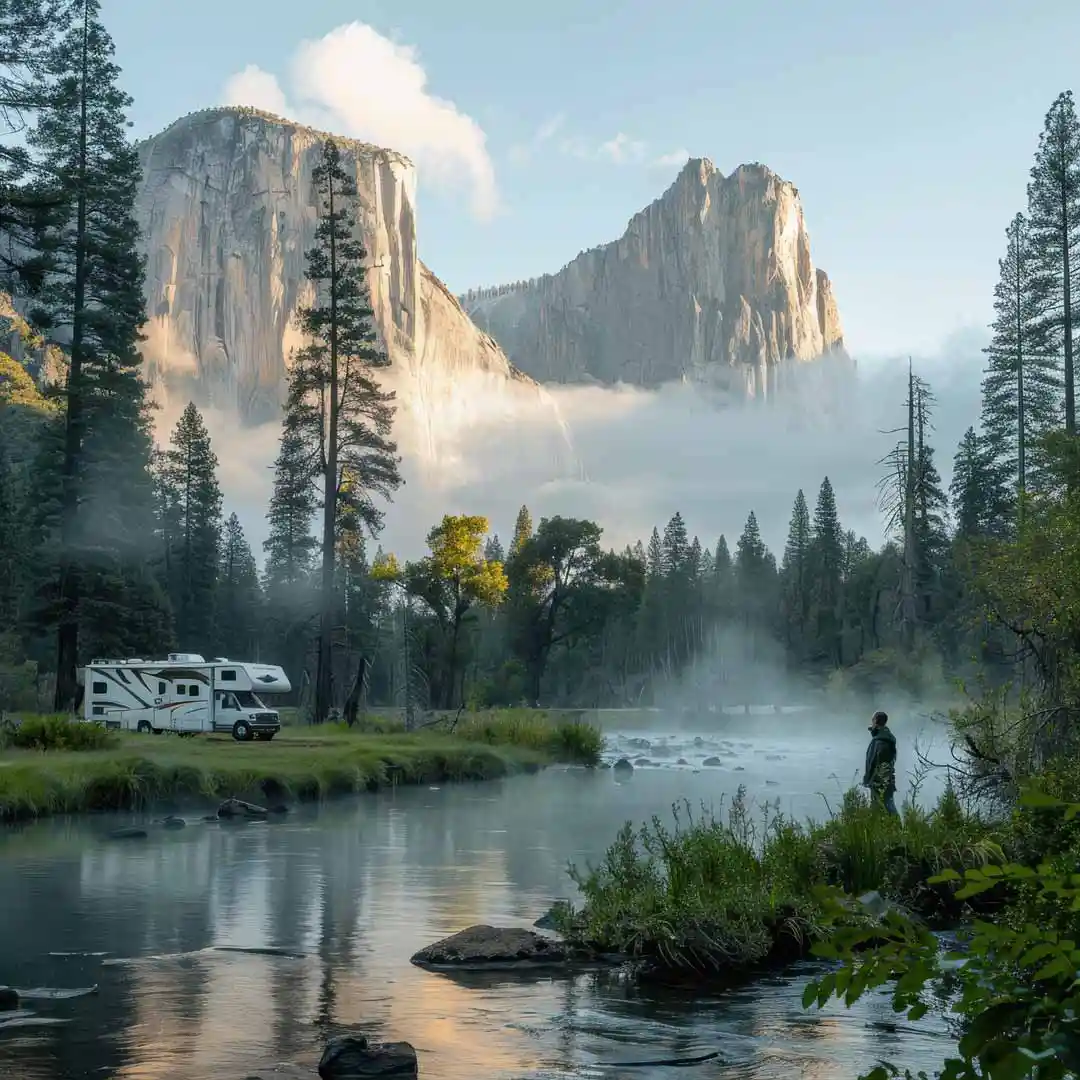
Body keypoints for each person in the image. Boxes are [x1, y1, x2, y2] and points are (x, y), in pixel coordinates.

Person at [862, 710, 898, 815]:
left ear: (876, 722)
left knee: (883, 807)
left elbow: (874, 762)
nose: (871, 723)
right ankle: (893, 824)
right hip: (886, 780)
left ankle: (896, 825)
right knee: (885, 807)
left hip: (879, 781)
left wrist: (868, 779)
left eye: (873, 720)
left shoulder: (880, 741)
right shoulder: (885, 738)